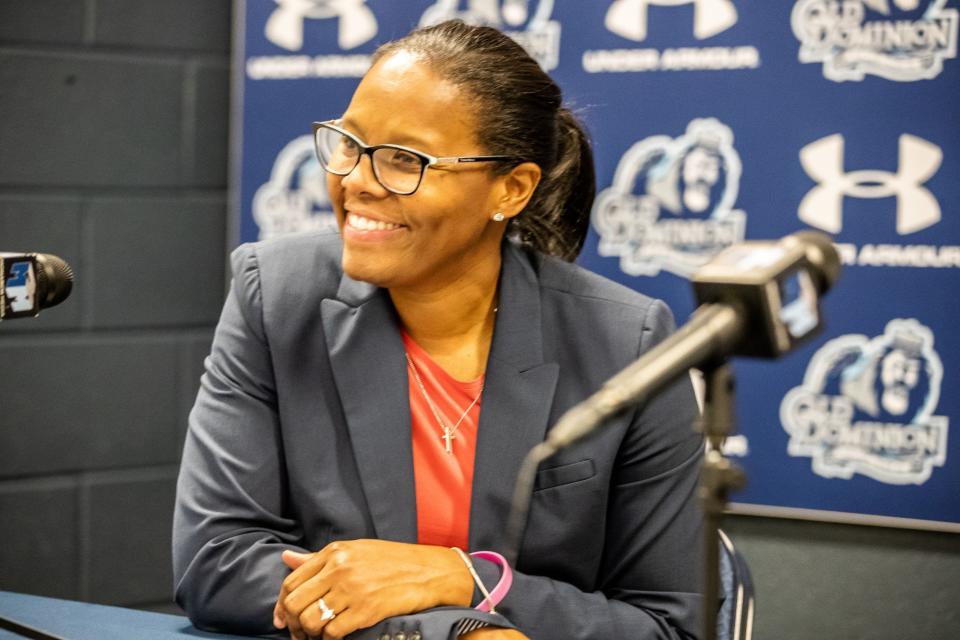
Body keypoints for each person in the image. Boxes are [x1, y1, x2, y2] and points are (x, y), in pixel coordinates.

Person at [173, 19, 704, 640]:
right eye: (350, 143)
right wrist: (457, 629)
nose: (357, 181)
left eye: (405, 160)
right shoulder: (277, 294)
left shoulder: (627, 341)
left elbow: (671, 624)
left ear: (510, 188)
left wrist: (467, 578)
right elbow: (218, 562)